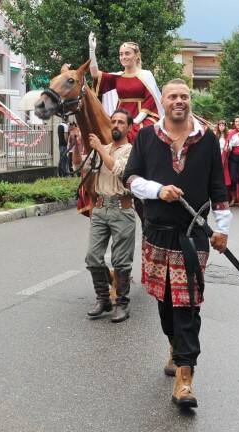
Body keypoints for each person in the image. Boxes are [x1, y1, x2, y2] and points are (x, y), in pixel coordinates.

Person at [123, 79, 232, 409]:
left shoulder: (207, 140)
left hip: (193, 234)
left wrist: (222, 229)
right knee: (166, 304)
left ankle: (185, 377)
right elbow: (130, 178)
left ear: (190, 101)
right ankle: (174, 344)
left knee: (187, 304)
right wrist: (158, 190)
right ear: (163, 102)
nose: (179, 101)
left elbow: (219, 187)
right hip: (157, 232)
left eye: (184, 96)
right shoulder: (145, 137)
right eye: (173, 96)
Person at [83, 109, 136, 323]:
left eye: (121, 122)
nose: (115, 125)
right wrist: (77, 146)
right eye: (113, 121)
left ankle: (122, 304)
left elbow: (120, 171)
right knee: (93, 257)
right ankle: (103, 299)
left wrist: (99, 150)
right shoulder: (101, 148)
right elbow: (84, 171)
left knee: (121, 261)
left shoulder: (132, 151)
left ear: (129, 127)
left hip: (121, 209)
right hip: (100, 208)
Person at [88, 32, 164, 143]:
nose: (123, 57)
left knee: (142, 134)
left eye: (127, 53)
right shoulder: (118, 76)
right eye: (121, 54)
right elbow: (95, 74)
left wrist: (134, 121)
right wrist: (92, 51)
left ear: (136, 55)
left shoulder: (146, 75)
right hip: (120, 116)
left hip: (142, 117)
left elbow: (150, 101)